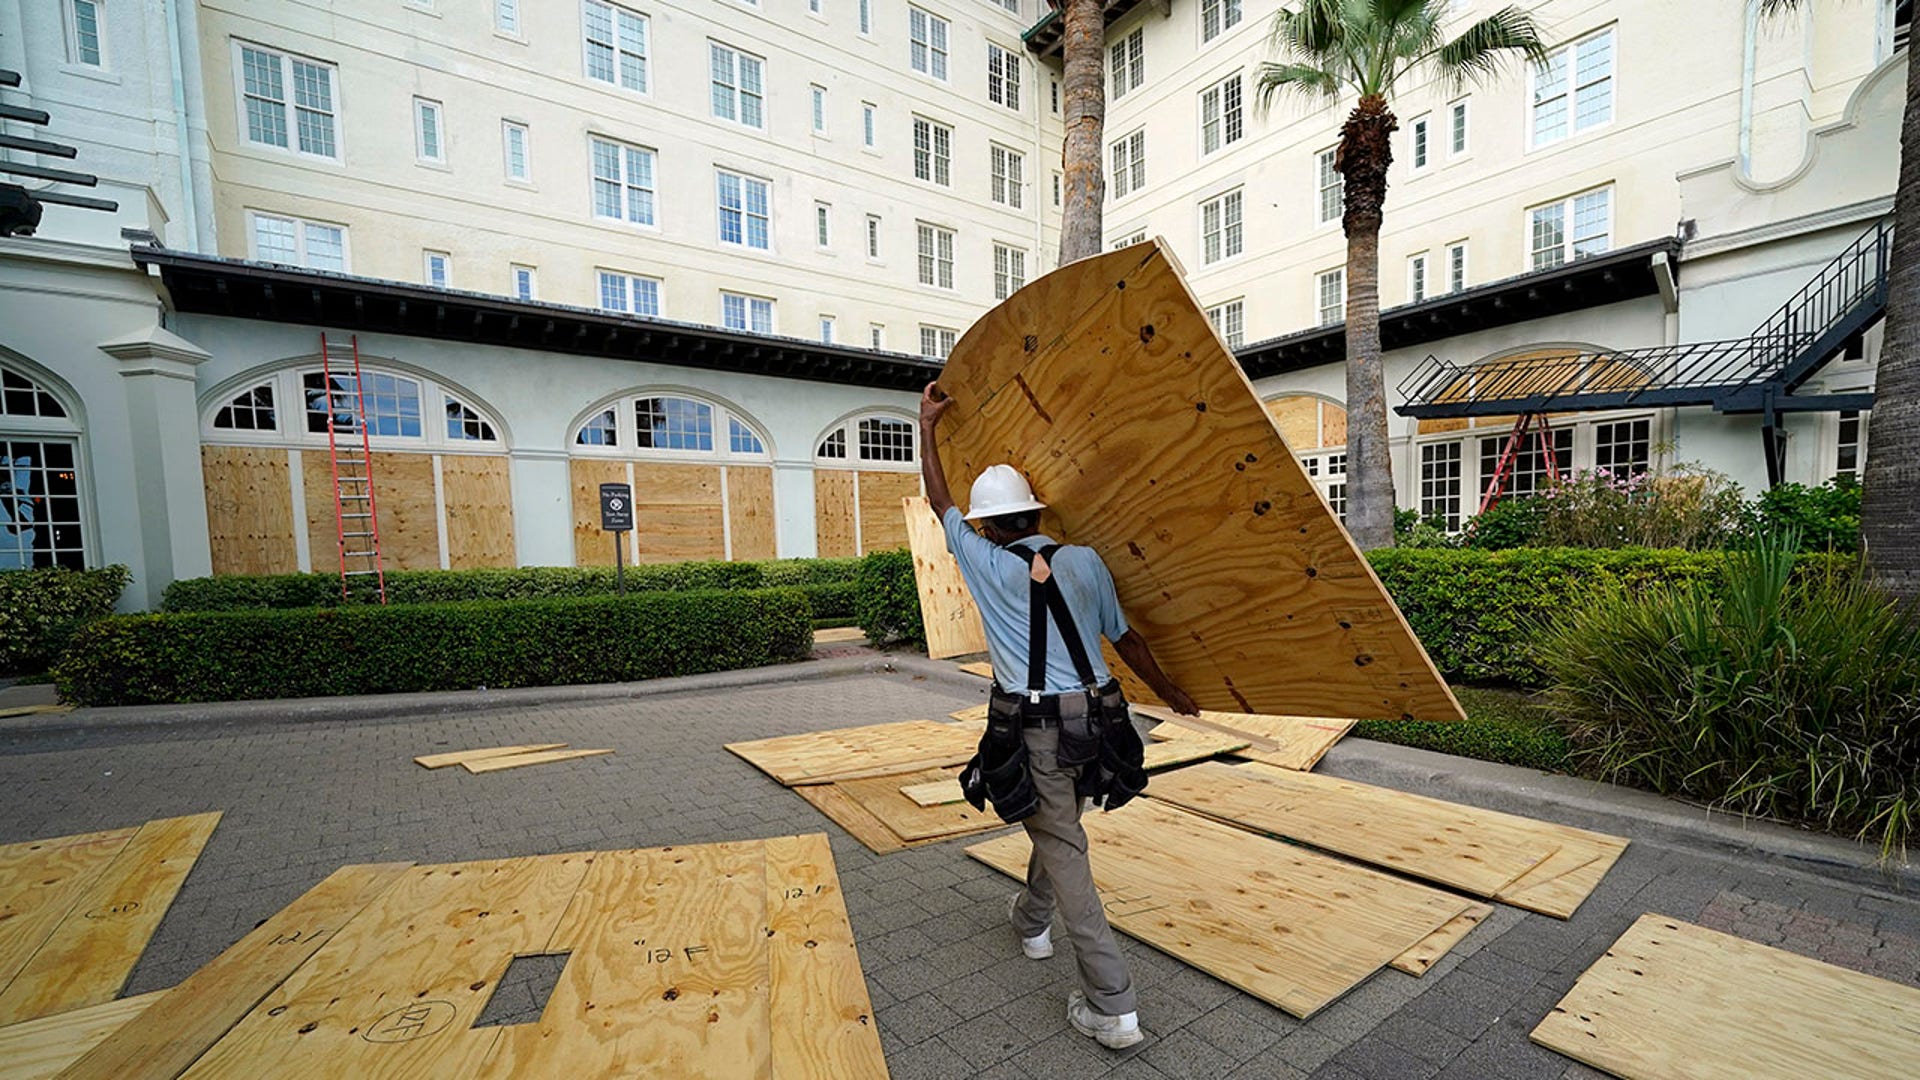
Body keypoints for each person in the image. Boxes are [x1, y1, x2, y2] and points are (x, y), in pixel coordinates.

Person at [918, 380, 1198, 1050]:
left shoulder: (982, 560)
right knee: (1060, 826)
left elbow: (938, 500)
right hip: (1101, 724)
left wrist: (925, 424)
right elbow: (1127, 640)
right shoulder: (1085, 560)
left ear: (987, 526)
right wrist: (1172, 693)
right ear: (1037, 513)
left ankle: (1113, 1007)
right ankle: (1029, 921)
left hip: (1036, 729)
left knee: (1065, 847)